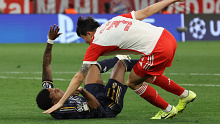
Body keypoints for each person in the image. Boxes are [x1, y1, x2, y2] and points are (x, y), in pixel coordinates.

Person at [43, 0, 196, 119]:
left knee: (133, 82)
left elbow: (79, 76)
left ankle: (167, 110)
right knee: (147, 75)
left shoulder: (96, 43)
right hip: (167, 37)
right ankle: (185, 95)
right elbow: (147, 11)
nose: (86, 43)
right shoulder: (114, 21)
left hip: (157, 49)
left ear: (89, 34)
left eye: (84, 39)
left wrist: (61, 102)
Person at [36, 24, 138, 119]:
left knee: (92, 66)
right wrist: (82, 91)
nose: (57, 89)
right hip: (107, 107)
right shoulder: (65, 110)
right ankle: (151, 64)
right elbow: (95, 106)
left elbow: (46, 65)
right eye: (55, 92)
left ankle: (119, 57)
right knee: (121, 65)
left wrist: (50, 41)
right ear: (55, 104)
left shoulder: (48, 95)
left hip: (93, 96)